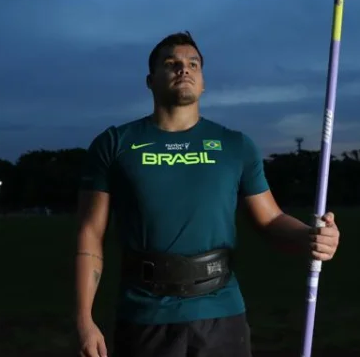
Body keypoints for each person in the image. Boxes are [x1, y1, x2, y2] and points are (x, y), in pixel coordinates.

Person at [75, 31, 341, 357]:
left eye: (193, 64)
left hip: (222, 315)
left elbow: (270, 220)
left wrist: (311, 237)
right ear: (150, 80)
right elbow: (90, 232)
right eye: (171, 64)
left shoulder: (235, 145)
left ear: (203, 83)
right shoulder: (115, 144)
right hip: (145, 315)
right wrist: (84, 319)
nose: (183, 70)